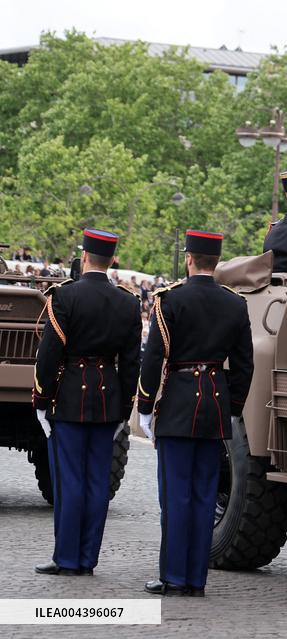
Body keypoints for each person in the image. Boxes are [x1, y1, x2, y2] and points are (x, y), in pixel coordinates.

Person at [138, 230, 254, 596]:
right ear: (215, 262)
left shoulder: (170, 302)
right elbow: (245, 365)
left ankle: (173, 576)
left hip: (177, 404)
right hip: (214, 407)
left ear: (189, 258)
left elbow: (154, 357)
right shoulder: (234, 304)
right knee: (205, 495)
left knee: (175, 495)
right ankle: (195, 579)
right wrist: (232, 406)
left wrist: (144, 406)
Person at [32, 228, 141, 576]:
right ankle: (87, 558)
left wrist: (41, 398)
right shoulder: (127, 302)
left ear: (84, 258)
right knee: (97, 483)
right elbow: (131, 363)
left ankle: (66, 557)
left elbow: (49, 354)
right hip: (107, 398)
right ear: (111, 261)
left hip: (69, 398)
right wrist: (124, 409)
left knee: (69, 481)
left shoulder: (65, 297)